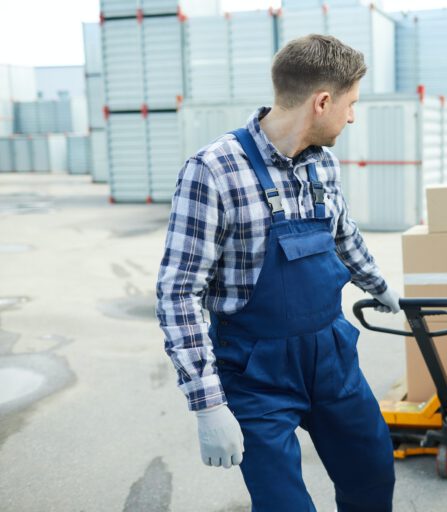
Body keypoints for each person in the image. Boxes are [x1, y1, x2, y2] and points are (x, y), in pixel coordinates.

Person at [155, 34, 401, 512]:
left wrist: (381, 286)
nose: (351, 116)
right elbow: (178, 293)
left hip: (331, 355)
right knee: (283, 504)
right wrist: (207, 404)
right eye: (350, 104)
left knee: (372, 474)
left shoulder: (322, 165)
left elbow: (343, 236)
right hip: (255, 371)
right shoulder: (213, 171)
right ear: (322, 101)